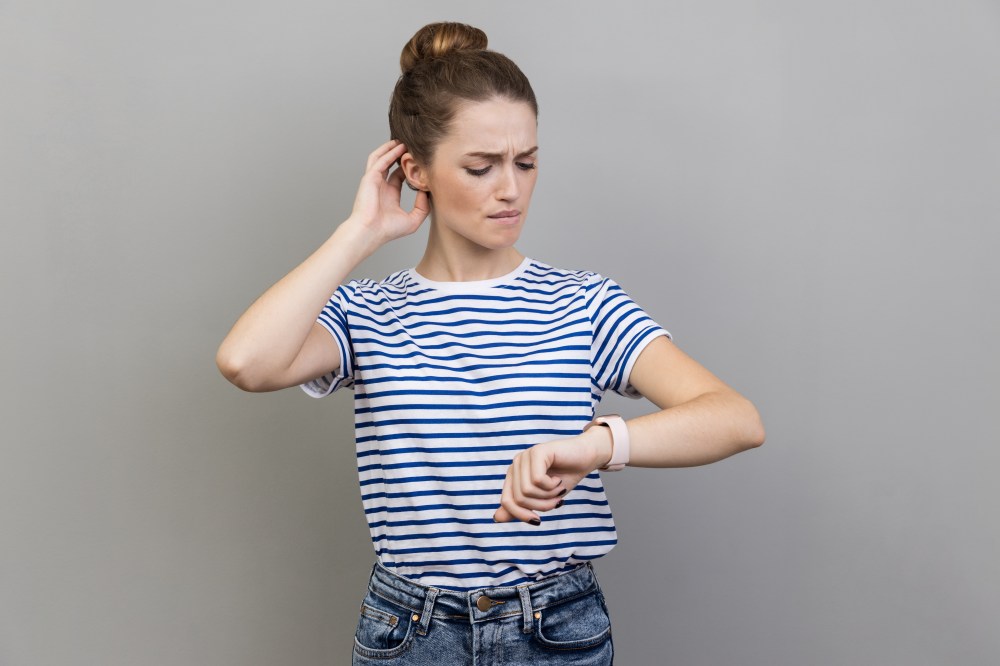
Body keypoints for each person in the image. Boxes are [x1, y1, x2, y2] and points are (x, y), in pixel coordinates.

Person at [217, 21, 764, 665]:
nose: (511, 188)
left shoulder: (581, 303)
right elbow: (246, 361)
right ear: (414, 169)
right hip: (411, 633)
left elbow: (735, 420)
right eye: (481, 167)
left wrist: (596, 446)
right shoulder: (365, 312)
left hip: (554, 628)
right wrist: (361, 231)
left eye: (526, 162)